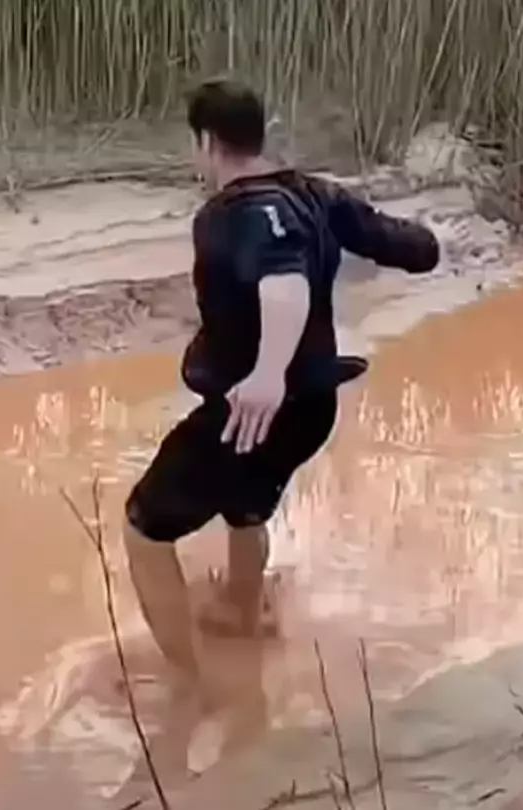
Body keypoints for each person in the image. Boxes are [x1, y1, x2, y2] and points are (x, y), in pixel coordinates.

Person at [123, 78, 451, 684]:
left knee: (142, 527)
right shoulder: (316, 195)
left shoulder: (232, 215)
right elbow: (413, 248)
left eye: (194, 145)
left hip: (256, 408)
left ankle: (191, 684)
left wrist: (267, 373)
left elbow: (284, 282)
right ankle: (241, 614)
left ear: (207, 142)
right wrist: (432, 238)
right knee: (245, 506)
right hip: (311, 410)